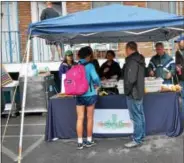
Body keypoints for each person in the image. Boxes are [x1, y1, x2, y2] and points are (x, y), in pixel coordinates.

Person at [76, 46, 101, 150]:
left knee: (80, 118)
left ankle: (80, 142)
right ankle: (89, 140)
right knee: (89, 118)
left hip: (78, 95)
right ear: (89, 55)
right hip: (90, 94)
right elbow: (96, 78)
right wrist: (97, 84)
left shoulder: (76, 65)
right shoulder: (90, 65)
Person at [123, 41, 145, 148]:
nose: (125, 51)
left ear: (129, 49)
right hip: (139, 91)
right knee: (140, 115)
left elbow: (130, 79)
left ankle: (137, 139)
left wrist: (126, 91)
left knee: (137, 116)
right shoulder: (139, 59)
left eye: (125, 49)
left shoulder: (132, 61)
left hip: (133, 93)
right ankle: (141, 136)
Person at [175, 37, 184, 114]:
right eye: (177, 42)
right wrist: (177, 67)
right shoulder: (177, 52)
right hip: (181, 79)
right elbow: (177, 63)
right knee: (182, 98)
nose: (178, 43)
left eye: (179, 42)